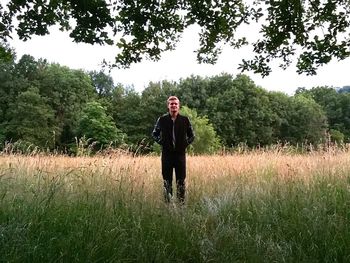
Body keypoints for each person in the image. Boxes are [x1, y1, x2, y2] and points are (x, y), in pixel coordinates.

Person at [152, 96, 195, 204]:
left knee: (181, 181)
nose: (174, 105)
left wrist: (184, 144)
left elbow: (192, 136)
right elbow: (154, 134)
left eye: (175, 104)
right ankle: (168, 206)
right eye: (171, 104)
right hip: (167, 155)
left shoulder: (185, 120)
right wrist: (163, 142)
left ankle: (181, 206)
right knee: (167, 181)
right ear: (168, 106)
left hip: (180, 155)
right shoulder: (162, 120)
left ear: (178, 105)